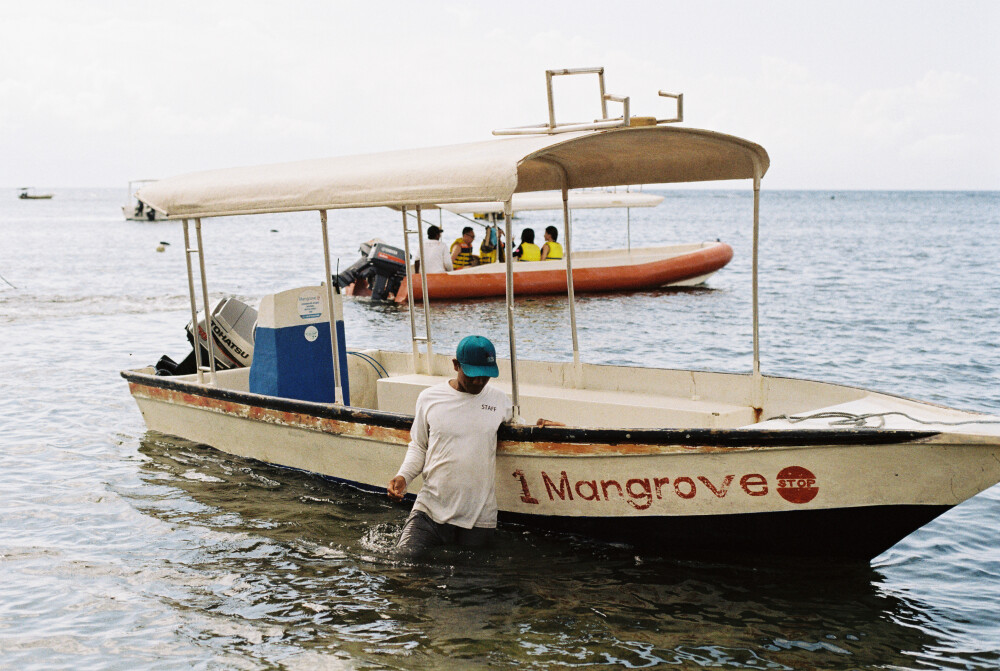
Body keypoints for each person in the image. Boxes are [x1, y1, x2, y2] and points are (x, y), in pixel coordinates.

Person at [387, 335, 562, 558]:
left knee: (473, 587)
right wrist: (403, 476)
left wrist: (549, 429)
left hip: (479, 518)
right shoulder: (429, 398)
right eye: (473, 375)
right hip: (429, 510)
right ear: (455, 365)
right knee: (402, 564)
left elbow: (519, 432)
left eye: (485, 376)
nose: (479, 382)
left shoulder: (499, 401)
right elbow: (419, 446)